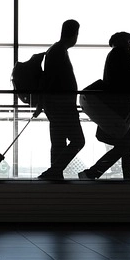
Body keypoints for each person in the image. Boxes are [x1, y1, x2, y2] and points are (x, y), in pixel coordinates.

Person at [79, 32, 130, 180]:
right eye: (128, 41)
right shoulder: (121, 56)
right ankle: (94, 173)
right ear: (120, 42)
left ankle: (98, 173)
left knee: (126, 146)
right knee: (127, 146)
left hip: (123, 107)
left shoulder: (115, 56)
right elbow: (124, 82)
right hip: (124, 107)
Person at [38, 19, 85, 180]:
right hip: (62, 105)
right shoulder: (58, 51)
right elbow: (50, 80)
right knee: (78, 140)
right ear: (74, 34)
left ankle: (55, 173)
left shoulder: (56, 50)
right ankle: (53, 172)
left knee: (58, 142)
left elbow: (48, 80)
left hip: (56, 104)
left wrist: (42, 103)